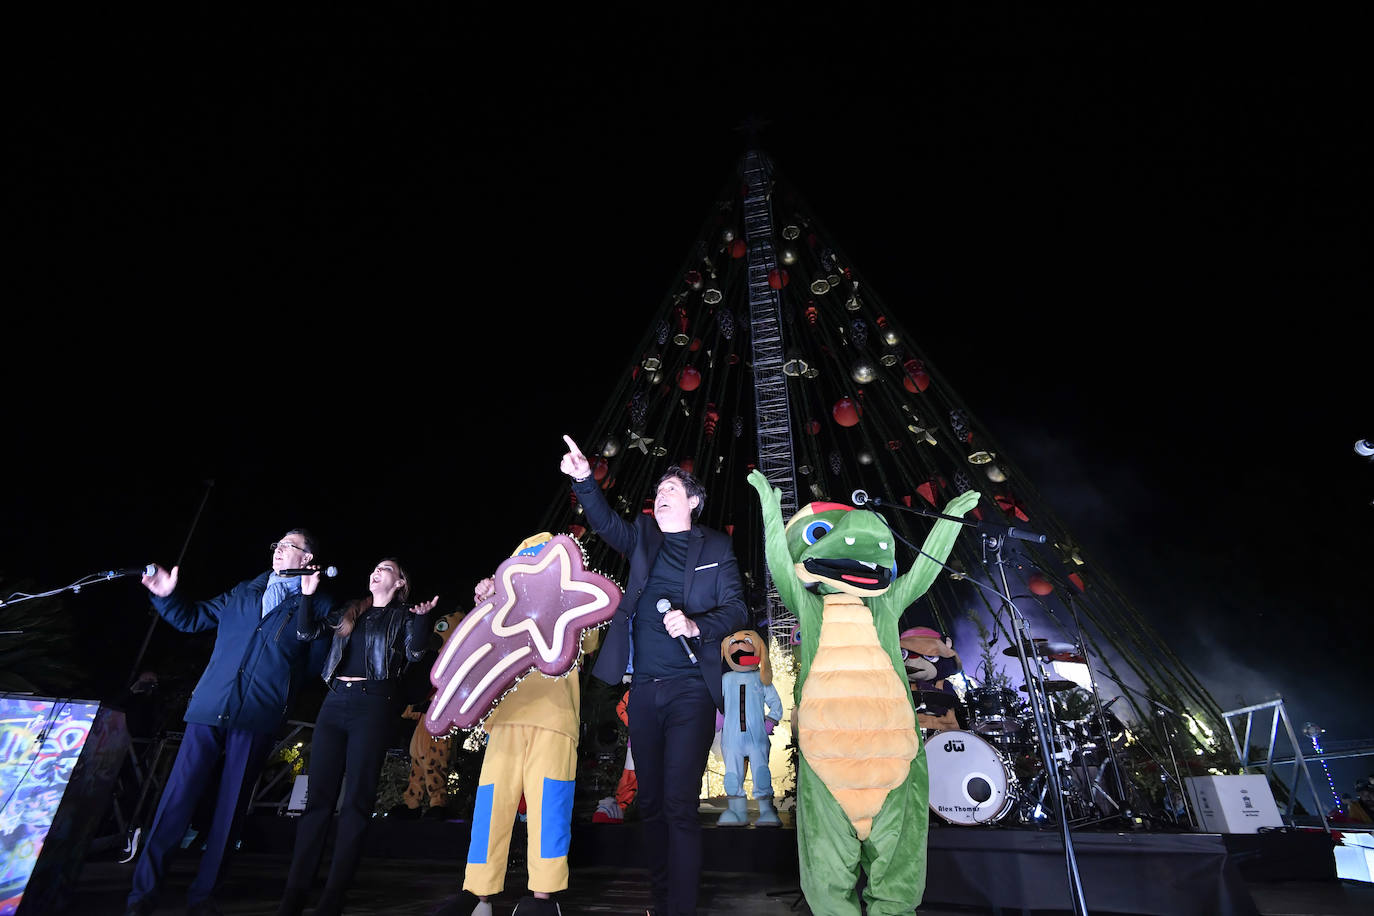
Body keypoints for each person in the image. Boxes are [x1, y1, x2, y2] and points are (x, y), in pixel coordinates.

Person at [560, 434, 748, 916]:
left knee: (680, 805)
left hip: (690, 691)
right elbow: (604, 524)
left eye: (671, 488)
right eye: (658, 489)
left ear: (693, 501)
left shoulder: (717, 546)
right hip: (642, 691)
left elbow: (736, 609)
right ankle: (661, 901)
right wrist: (584, 479)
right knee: (652, 806)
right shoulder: (643, 535)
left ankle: (681, 907)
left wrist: (694, 624)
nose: (661, 494)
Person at [125, 530, 338, 916]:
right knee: (176, 800)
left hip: (258, 713)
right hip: (210, 707)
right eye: (278, 544)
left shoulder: (320, 604)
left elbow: (313, 665)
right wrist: (166, 595)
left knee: (230, 809)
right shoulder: (244, 591)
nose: (280, 551)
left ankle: (204, 898)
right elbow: (193, 618)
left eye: (291, 546)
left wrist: (276, 687)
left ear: (308, 560)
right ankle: (142, 895)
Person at [276, 558, 439, 916]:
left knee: (357, 802)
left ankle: (334, 895)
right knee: (318, 801)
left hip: (375, 703)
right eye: (375, 567)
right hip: (334, 703)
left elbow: (414, 653)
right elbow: (306, 633)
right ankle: (295, 892)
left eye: (387, 569)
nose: (376, 571)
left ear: (399, 583)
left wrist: (424, 618)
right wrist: (307, 595)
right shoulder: (351, 611)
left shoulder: (405, 616)